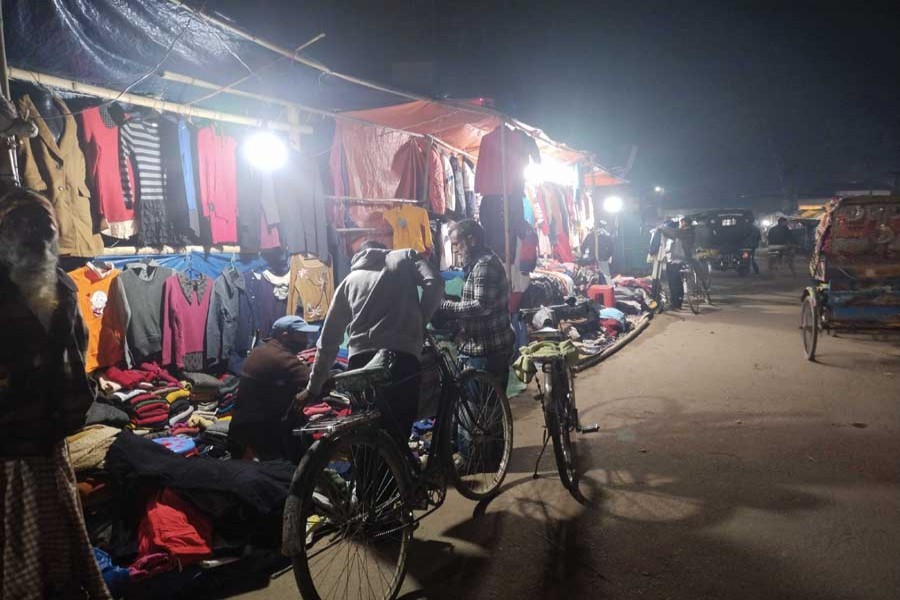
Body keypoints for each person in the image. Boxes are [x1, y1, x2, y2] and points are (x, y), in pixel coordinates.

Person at [0, 188, 111, 599]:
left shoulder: (61, 289)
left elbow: (73, 363)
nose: (37, 240)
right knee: (37, 554)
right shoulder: (56, 287)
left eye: (42, 231)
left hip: (38, 444)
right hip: (22, 447)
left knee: (41, 556)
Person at [296, 241, 443, 444]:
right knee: (398, 430)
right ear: (383, 249)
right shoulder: (404, 257)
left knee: (365, 431)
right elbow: (434, 282)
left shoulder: (349, 281)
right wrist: (420, 321)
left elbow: (328, 340)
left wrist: (313, 388)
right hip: (400, 356)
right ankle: (399, 473)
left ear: (358, 256)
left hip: (360, 362)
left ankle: (368, 475)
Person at [435, 219, 515, 388]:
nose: (455, 250)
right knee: (483, 406)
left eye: (458, 244)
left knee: (484, 406)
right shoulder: (476, 265)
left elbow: (481, 306)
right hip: (482, 347)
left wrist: (446, 306)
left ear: (472, 240)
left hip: (488, 349)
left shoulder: (485, 265)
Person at [229, 315, 319, 461]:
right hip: (261, 439)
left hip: (243, 430)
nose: (306, 340)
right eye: (301, 335)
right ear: (285, 336)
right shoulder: (280, 358)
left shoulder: (261, 350)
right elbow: (319, 381)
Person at [660, 217, 696, 310]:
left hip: (679, 260)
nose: (680, 224)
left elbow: (675, 233)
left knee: (674, 282)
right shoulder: (688, 231)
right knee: (678, 282)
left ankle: (675, 303)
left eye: (680, 222)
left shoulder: (686, 231)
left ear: (683, 222)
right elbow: (674, 235)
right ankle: (677, 302)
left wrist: (662, 228)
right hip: (682, 259)